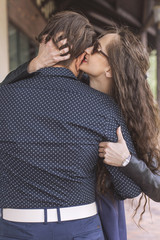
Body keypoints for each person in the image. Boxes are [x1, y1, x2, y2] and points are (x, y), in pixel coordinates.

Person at [2, 22, 160, 240]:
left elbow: (152, 185)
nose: (86, 50)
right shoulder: (80, 90)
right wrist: (35, 64)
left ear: (110, 69)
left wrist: (126, 161)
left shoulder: (125, 113)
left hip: (101, 205)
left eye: (96, 49)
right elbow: (8, 89)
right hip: (75, 206)